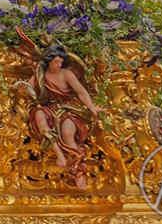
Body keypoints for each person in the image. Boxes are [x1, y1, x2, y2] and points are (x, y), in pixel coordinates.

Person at [16, 45, 104, 191]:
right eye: (57, 61)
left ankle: (77, 171)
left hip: (68, 109)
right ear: (49, 61)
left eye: (61, 61)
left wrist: (92, 108)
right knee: (38, 115)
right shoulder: (40, 74)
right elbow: (27, 89)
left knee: (67, 132)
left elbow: (81, 92)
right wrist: (22, 89)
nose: (59, 64)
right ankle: (59, 155)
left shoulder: (66, 74)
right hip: (49, 108)